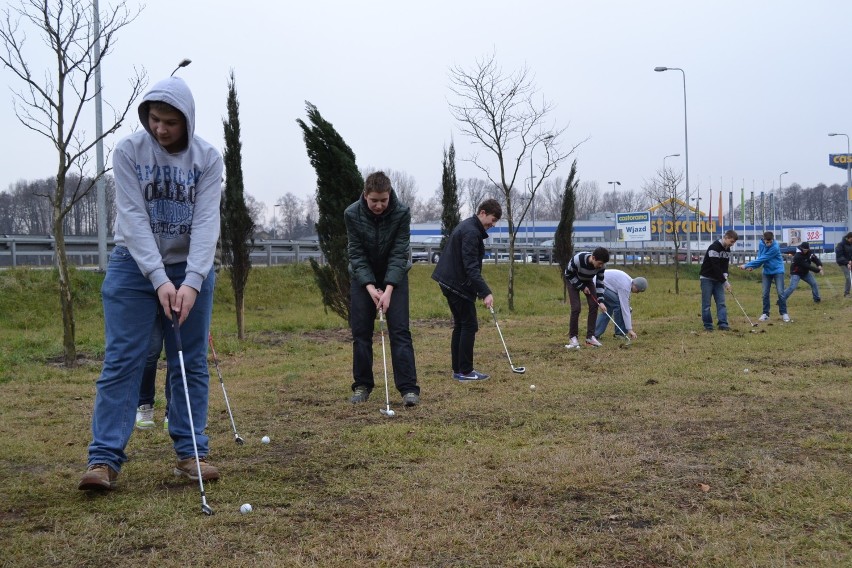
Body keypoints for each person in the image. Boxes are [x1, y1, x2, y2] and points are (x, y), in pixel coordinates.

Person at [79, 76, 223, 491]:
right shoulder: (127, 151)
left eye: (170, 122)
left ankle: (191, 452)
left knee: (188, 361)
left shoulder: (208, 158)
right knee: (123, 358)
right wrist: (158, 278)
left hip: (190, 267)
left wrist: (192, 281)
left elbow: (206, 222)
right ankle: (104, 459)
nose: (160, 128)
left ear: (188, 121)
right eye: (155, 119)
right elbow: (133, 217)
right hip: (132, 266)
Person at [345, 171, 420, 406]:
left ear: (389, 196)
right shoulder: (351, 214)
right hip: (362, 278)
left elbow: (400, 253)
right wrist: (369, 287)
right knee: (361, 333)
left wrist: (388, 290)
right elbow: (356, 254)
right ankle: (362, 385)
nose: (379, 205)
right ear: (365, 195)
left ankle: (409, 389)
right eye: (374, 200)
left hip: (394, 277)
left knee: (400, 331)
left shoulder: (401, 213)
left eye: (383, 200)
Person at [432, 199, 502, 381]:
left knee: (461, 325)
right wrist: (485, 292)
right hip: (456, 283)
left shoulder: (469, 227)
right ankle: (465, 370)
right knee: (469, 325)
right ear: (483, 212)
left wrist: (479, 291)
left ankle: (459, 369)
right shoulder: (471, 232)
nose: (492, 225)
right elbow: (470, 266)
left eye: (495, 222)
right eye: (492, 220)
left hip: (450, 281)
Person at [563, 247, 610, 349]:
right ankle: (573, 338)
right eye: (599, 263)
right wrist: (582, 287)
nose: (601, 266)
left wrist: (601, 301)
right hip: (572, 280)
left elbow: (600, 283)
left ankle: (590, 337)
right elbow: (568, 274)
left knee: (594, 305)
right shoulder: (578, 260)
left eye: (603, 264)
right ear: (593, 258)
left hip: (588, 280)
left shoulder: (602, 266)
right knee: (576, 308)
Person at [739, 230, 790, 322]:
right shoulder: (761, 244)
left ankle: (784, 313)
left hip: (778, 270)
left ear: (773, 240)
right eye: (767, 242)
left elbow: (764, 258)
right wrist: (753, 267)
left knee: (780, 293)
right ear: (764, 239)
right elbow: (760, 257)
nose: (769, 244)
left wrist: (746, 265)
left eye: (770, 242)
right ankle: (765, 314)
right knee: (765, 293)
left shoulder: (775, 247)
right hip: (767, 271)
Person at [134, 320, 170, 431]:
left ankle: (174, 410)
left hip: (177, 306)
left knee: (176, 355)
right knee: (151, 351)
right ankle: (144, 403)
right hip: (151, 306)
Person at [700, 230, 738, 331]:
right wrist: (725, 283)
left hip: (718, 280)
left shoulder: (727, 249)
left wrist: (725, 277)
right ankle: (708, 326)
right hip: (707, 278)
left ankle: (723, 324)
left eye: (734, 242)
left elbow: (724, 265)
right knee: (706, 304)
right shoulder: (714, 247)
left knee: (721, 302)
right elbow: (715, 267)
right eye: (731, 241)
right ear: (725, 237)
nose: (732, 244)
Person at [594, 269, 648, 340]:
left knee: (607, 310)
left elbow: (626, 303)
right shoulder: (625, 286)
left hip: (600, 283)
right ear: (635, 285)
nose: (637, 293)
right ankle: (619, 334)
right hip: (598, 284)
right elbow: (624, 308)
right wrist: (630, 329)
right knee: (618, 305)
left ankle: (595, 334)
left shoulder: (628, 283)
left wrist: (628, 308)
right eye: (638, 290)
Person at [835, 231, 852, 297]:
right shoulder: (840, 245)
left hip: (850, 262)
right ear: (849, 238)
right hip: (842, 263)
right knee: (848, 277)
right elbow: (839, 256)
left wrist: (850, 261)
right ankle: (846, 293)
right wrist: (847, 262)